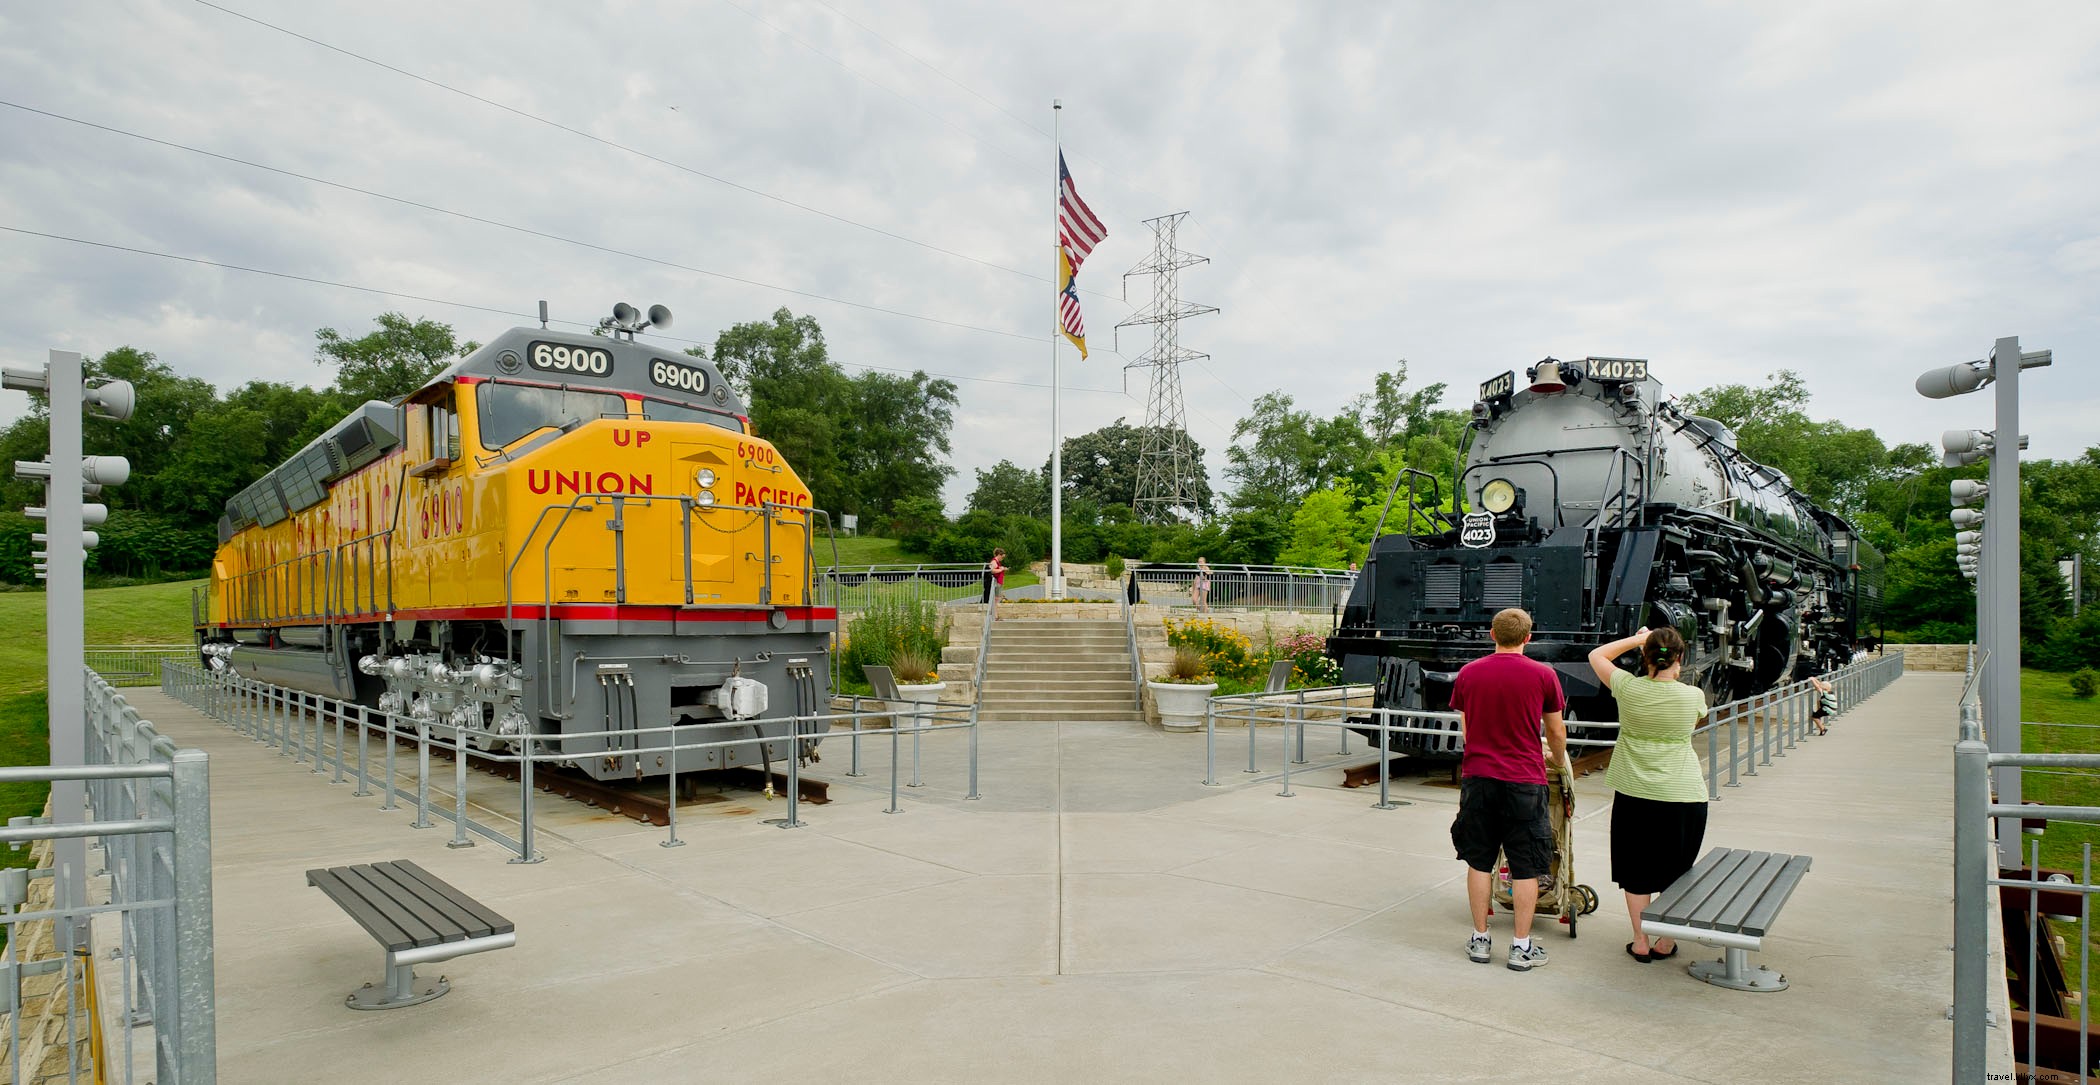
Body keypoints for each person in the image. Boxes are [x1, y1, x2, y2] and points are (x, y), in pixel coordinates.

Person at [1449, 608, 1568, 972]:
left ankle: (1480, 939)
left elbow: (1468, 729)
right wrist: (1556, 759)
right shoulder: (1543, 675)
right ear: (1528, 637)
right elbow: (1555, 731)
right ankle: (1521, 946)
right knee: (1525, 865)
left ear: (1492, 634)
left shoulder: (1469, 673)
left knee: (1479, 861)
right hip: (1524, 781)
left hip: (1479, 778)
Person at [1586, 626, 1709, 964]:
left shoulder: (1627, 687)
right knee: (1676, 871)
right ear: (1680, 658)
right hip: (1683, 796)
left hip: (1634, 794)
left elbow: (1596, 655)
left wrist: (1639, 639)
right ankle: (1666, 941)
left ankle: (1640, 941)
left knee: (1636, 871)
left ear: (1646, 656)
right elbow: (1692, 724)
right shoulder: (1693, 696)